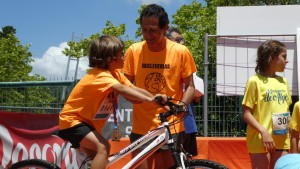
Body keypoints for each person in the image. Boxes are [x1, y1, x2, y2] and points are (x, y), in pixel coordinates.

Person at [58, 35, 166, 169]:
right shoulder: (100, 75)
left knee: (96, 158)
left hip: (88, 124)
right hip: (72, 122)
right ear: (110, 59)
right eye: (121, 54)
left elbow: (133, 89)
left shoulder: (116, 73)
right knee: (103, 147)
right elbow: (121, 89)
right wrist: (150, 99)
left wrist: (157, 100)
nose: (124, 56)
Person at [123, 4, 197, 169]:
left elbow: (190, 86)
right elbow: (124, 84)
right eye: (144, 29)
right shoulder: (134, 51)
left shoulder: (180, 51)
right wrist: (133, 99)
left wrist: (182, 105)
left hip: (171, 125)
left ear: (165, 28)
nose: (148, 35)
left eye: (153, 30)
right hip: (141, 126)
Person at [242, 40, 291, 169]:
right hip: (261, 140)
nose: (287, 61)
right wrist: (264, 132)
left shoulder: (283, 82)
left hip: (282, 139)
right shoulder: (255, 81)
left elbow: (285, 111)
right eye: (284, 56)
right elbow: (247, 114)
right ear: (272, 58)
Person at [165, 27, 204, 156]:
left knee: (187, 161)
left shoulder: (185, 59)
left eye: (183, 40)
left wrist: (196, 96)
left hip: (188, 122)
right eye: (178, 40)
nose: (182, 43)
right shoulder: (161, 64)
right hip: (170, 124)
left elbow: (193, 93)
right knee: (170, 162)